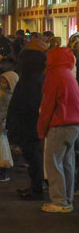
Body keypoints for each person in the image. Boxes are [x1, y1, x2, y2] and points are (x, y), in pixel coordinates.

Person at [37, 47, 79, 213]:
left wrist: (41, 129)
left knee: (53, 163)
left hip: (59, 124)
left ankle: (59, 201)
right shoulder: (69, 75)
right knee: (67, 163)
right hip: (73, 125)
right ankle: (67, 199)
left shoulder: (54, 75)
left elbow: (48, 106)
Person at [6, 35, 47, 200]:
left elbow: (28, 104)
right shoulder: (35, 77)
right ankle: (35, 187)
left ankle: (37, 189)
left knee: (34, 156)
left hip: (29, 123)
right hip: (29, 122)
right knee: (33, 156)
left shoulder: (32, 79)